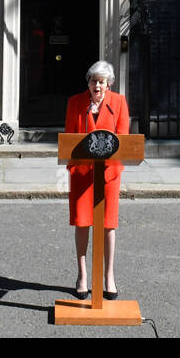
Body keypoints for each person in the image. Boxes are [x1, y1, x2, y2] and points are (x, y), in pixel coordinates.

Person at [65, 60, 129, 300]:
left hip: (109, 174)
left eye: (102, 81)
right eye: (93, 81)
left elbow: (124, 139)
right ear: (88, 83)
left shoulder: (119, 103)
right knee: (82, 223)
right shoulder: (75, 103)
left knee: (108, 224)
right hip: (82, 174)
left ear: (109, 84)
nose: (97, 85)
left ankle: (108, 276)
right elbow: (69, 140)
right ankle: (82, 275)